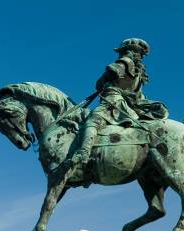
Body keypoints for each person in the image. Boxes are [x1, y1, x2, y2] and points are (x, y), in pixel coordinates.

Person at [72, 38, 169, 169]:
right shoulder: (140, 73)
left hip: (113, 101)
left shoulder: (124, 62)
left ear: (126, 51)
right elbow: (138, 95)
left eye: (123, 51)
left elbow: (102, 81)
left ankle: (83, 153)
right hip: (129, 106)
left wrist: (106, 80)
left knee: (92, 121)